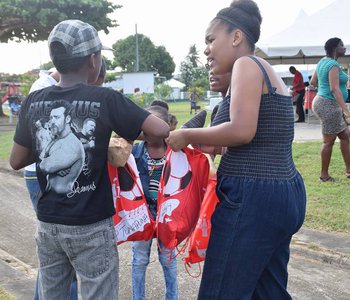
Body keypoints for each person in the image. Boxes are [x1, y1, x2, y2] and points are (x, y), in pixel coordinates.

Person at [9, 19, 169, 299]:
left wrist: (45, 140)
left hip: (48, 224)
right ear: (93, 60)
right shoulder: (105, 98)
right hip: (91, 226)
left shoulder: (34, 101)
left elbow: (16, 160)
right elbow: (160, 130)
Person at [166, 1, 306, 299]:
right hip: (283, 194)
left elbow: (243, 131)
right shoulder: (267, 72)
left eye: (210, 39)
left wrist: (187, 133)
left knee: (220, 293)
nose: (206, 49)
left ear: (236, 37)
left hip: (253, 198)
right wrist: (205, 141)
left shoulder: (246, 64)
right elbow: (257, 135)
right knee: (267, 292)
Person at [24, 69, 79, 300]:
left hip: (43, 171)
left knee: (55, 254)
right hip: (41, 174)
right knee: (62, 254)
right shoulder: (43, 88)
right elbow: (37, 142)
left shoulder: (51, 86)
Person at [131, 105, 178, 300]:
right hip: (141, 214)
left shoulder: (175, 152)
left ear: (167, 127)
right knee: (139, 260)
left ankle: (172, 297)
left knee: (169, 260)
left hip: (167, 214)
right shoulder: (134, 151)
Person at [310, 37, 350, 182]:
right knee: (329, 141)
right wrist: (346, 110)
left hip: (323, 102)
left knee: (345, 135)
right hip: (328, 104)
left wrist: (324, 87)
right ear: (335, 48)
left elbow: (313, 81)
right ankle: (324, 176)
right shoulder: (332, 64)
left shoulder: (322, 61)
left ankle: (349, 169)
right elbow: (334, 89)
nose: (344, 48)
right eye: (341, 45)